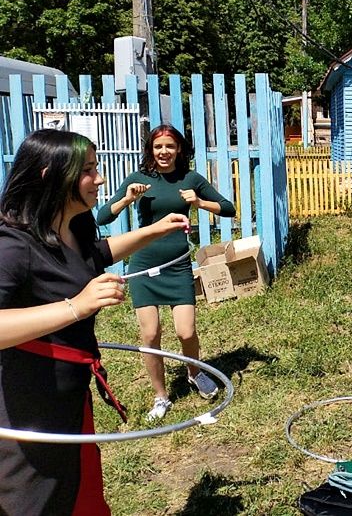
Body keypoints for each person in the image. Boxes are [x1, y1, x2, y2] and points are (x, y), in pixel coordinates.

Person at [0, 129, 190, 515]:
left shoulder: (70, 228)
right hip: (28, 413)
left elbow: (96, 255)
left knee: (77, 497)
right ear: (49, 175)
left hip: (69, 401)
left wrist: (155, 230)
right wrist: (76, 306)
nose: (100, 179)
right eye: (88, 170)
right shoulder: (13, 244)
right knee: (37, 504)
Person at [97, 125, 235, 420]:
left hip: (178, 266)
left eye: (170, 146)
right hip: (144, 267)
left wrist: (198, 202)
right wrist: (127, 199)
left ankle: (194, 373)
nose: (164, 152)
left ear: (179, 150)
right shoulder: (138, 180)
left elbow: (228, 208)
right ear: (151, 150)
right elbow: (102, 215)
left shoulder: (191, 179)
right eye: (158, 147)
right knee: (151, 334)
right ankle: (161, 397)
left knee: (186, 331)